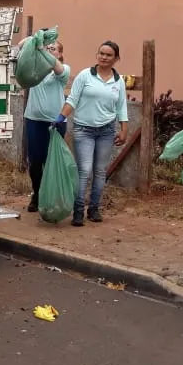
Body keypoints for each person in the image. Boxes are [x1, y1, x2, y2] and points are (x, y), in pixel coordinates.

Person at [55, 41, 128, 226]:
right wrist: (61, 118)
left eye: (109, 55)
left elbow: (121, 106)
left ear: (116, 59)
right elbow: (72, 99)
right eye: (101, 53)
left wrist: (124, 129)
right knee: (84, 170)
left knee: (100, 171)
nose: (104, 57)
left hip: (106, 131)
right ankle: (78, 210)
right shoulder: (85, 75)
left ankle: (94, 208)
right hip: (83, 130)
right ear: (97, 55)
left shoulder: (118, 81)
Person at [23, 40, 70, 212]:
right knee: (35, 161)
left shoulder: (63, 70)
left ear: (60, 54)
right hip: (34, 120)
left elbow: (57, 68)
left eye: (54, 49)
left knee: (52, 161)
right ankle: (37, 194)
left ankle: (51, 197)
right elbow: (21, 46)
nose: (50, 51)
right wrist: (35, 40)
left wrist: (46, 53)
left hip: (55, 123)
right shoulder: (35, 70)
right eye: (47, 48)